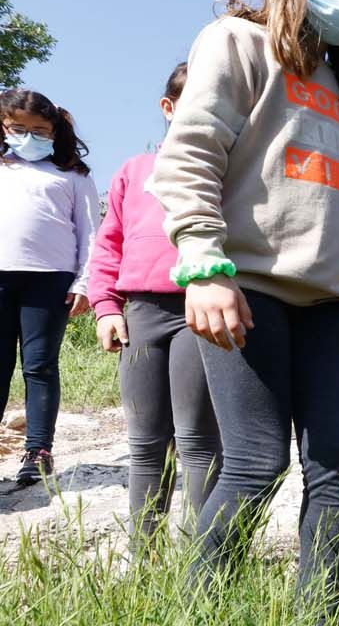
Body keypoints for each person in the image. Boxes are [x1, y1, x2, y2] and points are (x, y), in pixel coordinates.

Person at [149, 0, 339, 616]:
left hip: (322, 309)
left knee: (336, 470)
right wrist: (204, 263)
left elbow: (322, 208)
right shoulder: (236, 43)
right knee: (256, 463)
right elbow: (190, 157)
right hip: (243, 289)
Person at [85, 63, 223, 545]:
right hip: (141, 314)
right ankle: (145, 556)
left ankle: (199, 559)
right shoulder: (134, 171)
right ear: (168, 109)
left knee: (198, 440)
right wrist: (105, 307)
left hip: (201, 312)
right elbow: (109, 244)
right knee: (146, 442)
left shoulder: (228, 168)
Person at [0, 88, 98, 484]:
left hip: (50, 281)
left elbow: (91, 233)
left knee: (40, 366)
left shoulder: (72, 175)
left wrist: (86, 281)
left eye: (39, 131)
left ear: (55, 130)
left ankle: (38, 450)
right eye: (18, 129)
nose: (29, 137)